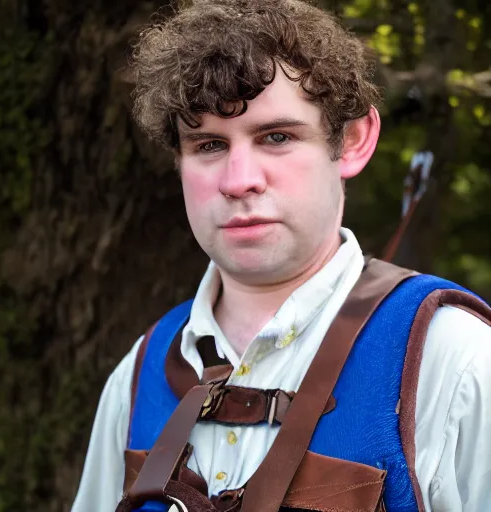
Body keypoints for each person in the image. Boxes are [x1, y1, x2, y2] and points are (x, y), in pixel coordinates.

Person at [72, 1, 491, 511]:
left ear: (353, 141)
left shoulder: (458, 360)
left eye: (276, 137)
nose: (239, 179)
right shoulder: (141, 374)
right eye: (208, 144)